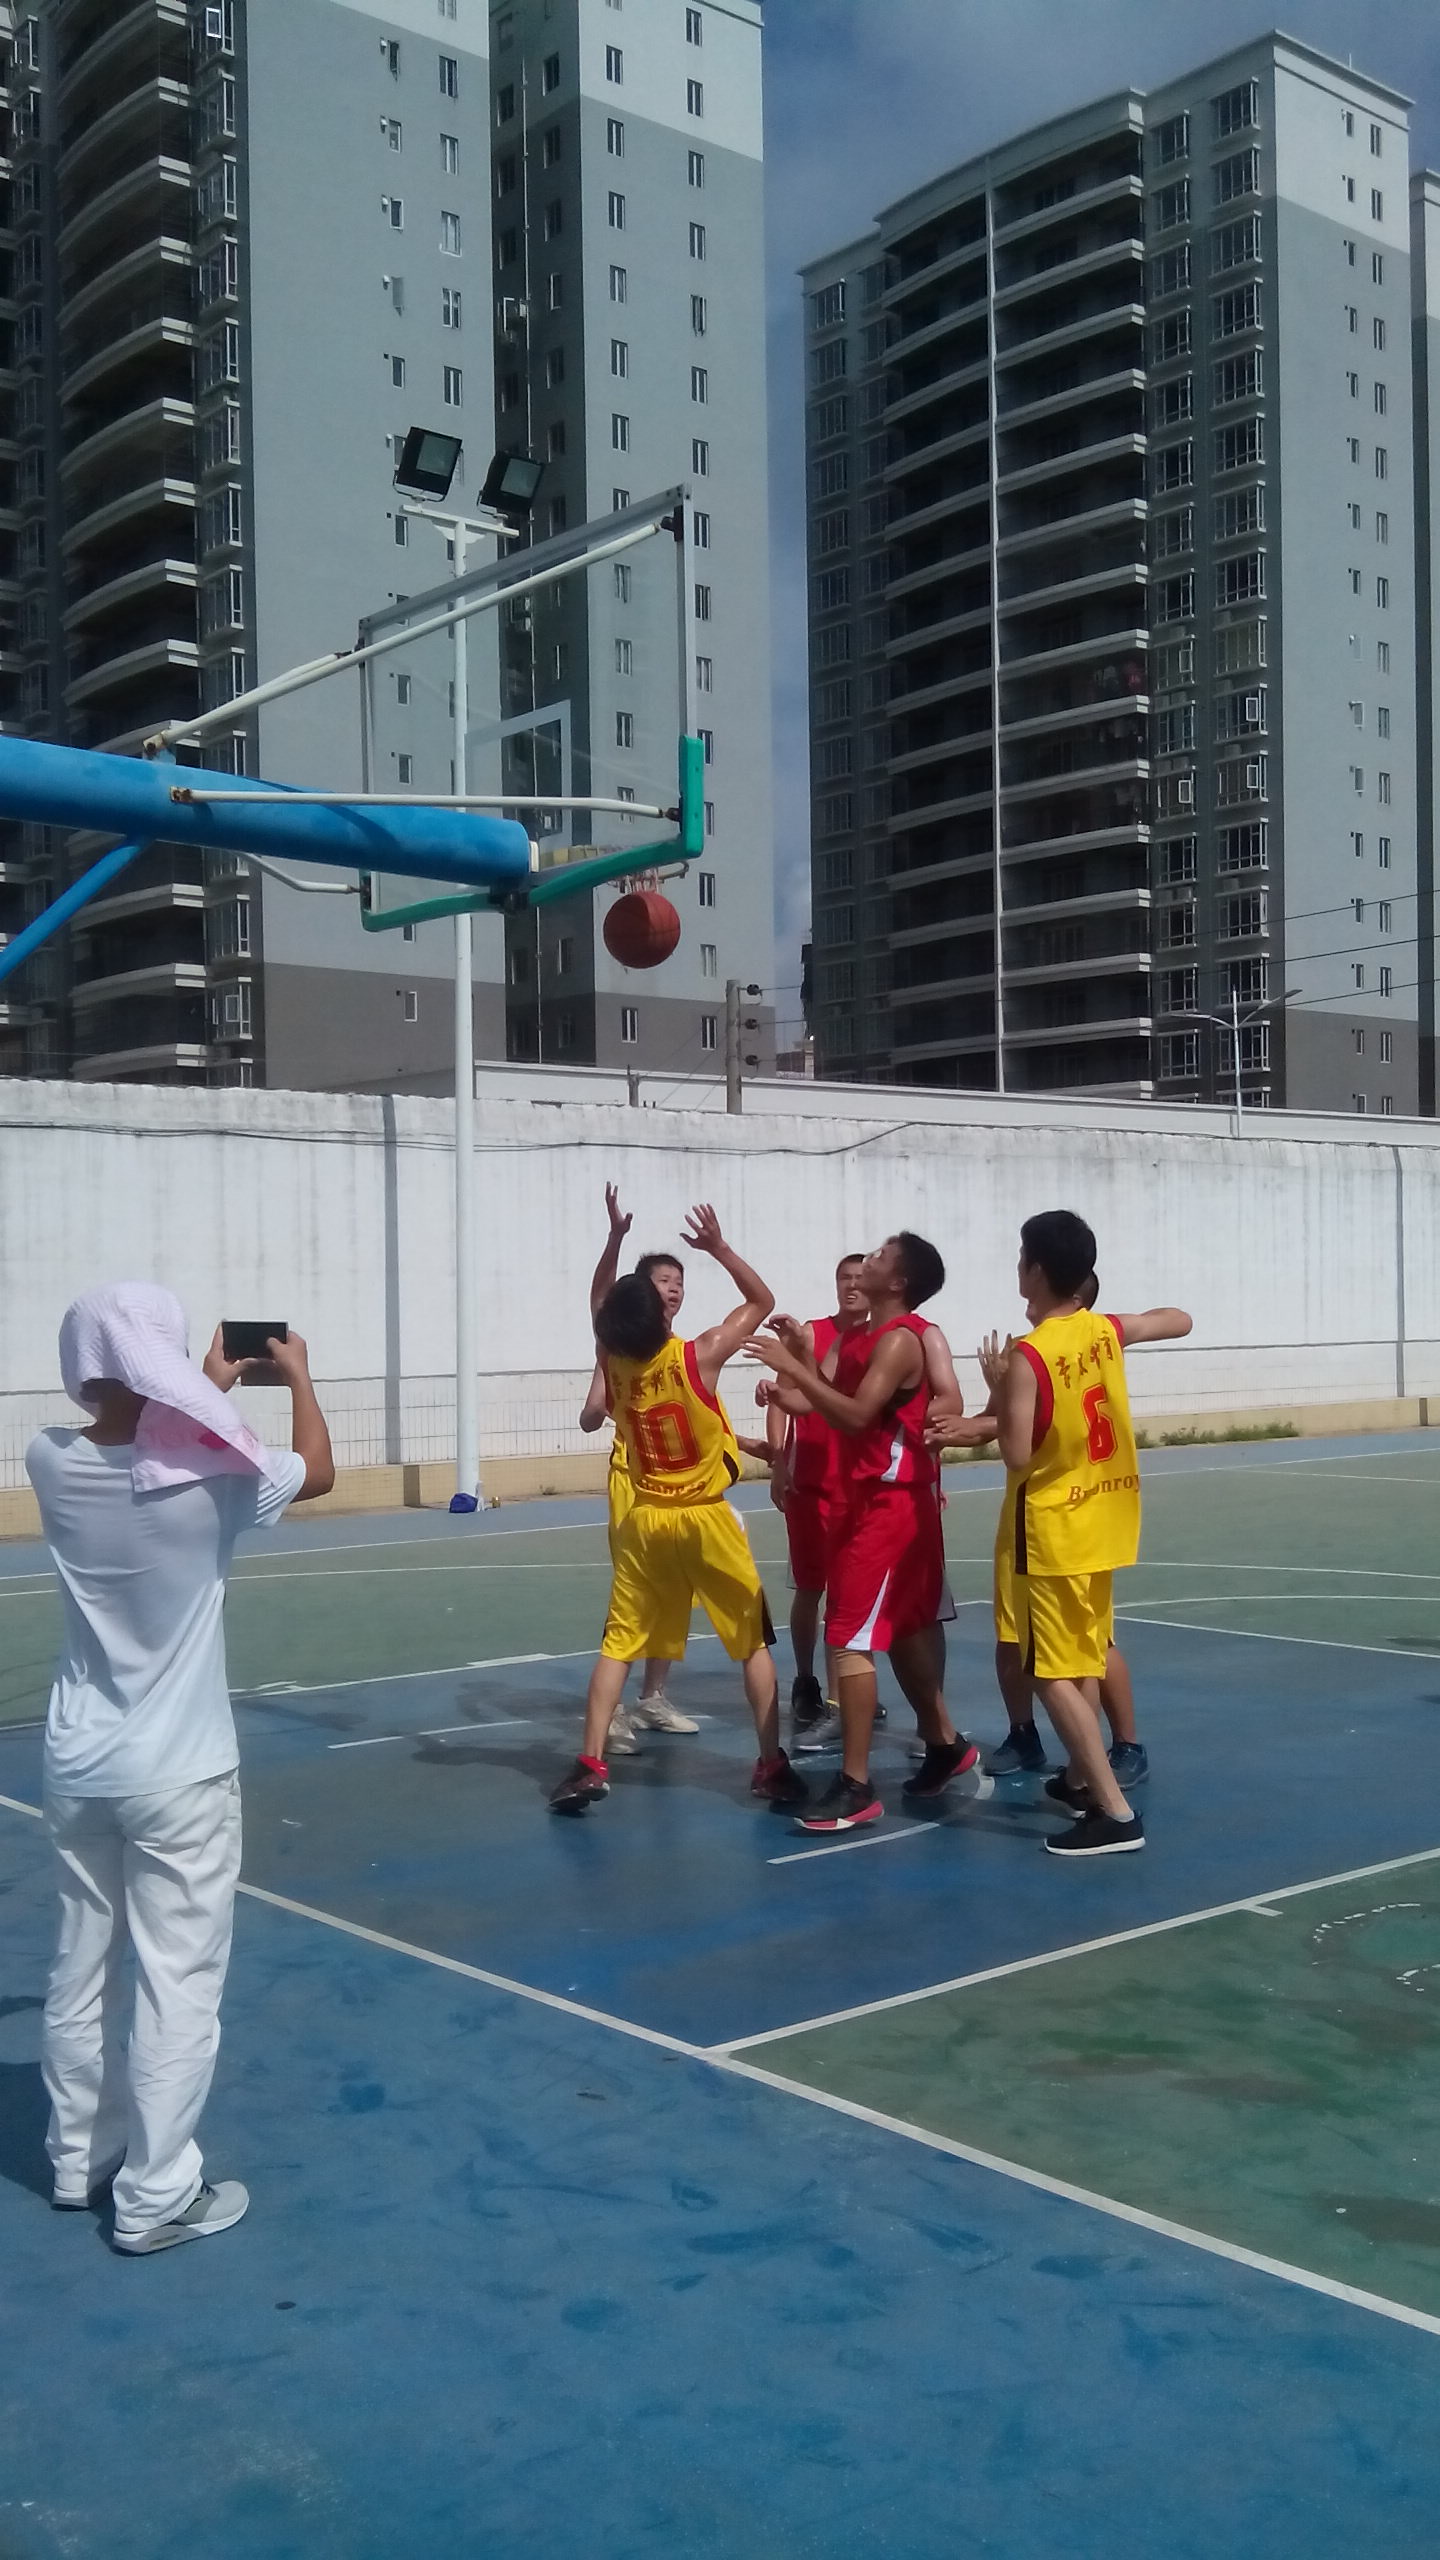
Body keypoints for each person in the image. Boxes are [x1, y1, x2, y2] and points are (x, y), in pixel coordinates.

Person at [27, 1283, 334, 2253]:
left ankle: (76, 2158)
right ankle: (157, 2195)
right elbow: (315, 1471)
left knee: (79, 1965)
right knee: (178, 1981)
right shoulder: (217, 1476)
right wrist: (296, 1379)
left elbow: (132, 1441)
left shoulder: (48, 1459)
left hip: (78, 1764)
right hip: (181, 1770)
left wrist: (197, 1387)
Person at [551, 1206, 805, 1816]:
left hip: (645, 1519)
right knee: (752, 1644)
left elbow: (598, 1300)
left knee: (618, 1645)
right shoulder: (701, 1354)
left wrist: (613, 1239)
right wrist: (718, 1247)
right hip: (704, 1517)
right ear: (660, 1312)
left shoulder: (613, 1361)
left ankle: (590, 1763)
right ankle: (770, 1764)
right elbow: (762, 1299)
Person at [749, 1232, 977, 1835]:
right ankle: (944, 1744)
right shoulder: (859, 1337)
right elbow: (812, 1403)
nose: (863, 1265)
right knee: (901, 1632)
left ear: (897, 1282)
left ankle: (856, 1785)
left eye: (877, 1258)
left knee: (848, 1636)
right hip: (863, 1499)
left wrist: (793, 1367)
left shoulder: (902, 1340)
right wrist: (795, 1365)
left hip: (891, 1503)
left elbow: (853, 1416)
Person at [988, 1212, 1191, 1857]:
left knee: (1049, 1671)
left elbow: (1016, 1454)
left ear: (1036, 1270)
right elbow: (1179, 1319)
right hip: (1104, 1521)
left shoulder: (1030, 1355)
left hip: (1053, 1528)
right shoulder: (1104, 1330)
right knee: (1081, 1658)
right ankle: (1081, 1777)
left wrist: (998, 1393)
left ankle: (1114, 1812)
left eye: (1022, 1256)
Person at [928, 1274, 1149, 1787]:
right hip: (1035, 1517)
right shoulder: (1047, 1351)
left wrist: (989, 1410)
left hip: (1065, 1518)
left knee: (1089, 1648)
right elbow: (1004, 1423)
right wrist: (978, 1416)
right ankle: (1027, 1736)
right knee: (1013, 1634)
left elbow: (1018, 1440)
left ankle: (1119, 1750)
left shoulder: (1057, 1351)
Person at [579, 1186, 699, 1750]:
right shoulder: (618, 1338)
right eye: (663, 1280)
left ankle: (653, 1697)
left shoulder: (686, 1350)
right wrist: (615, 1238)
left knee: (675, 1589)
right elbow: (600, 1295)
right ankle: (614, 1710)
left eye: (679, 1282)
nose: (673, 1288)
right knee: (635, 1591)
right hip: (633, 1478)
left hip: (683, 1485)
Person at [763, 1253, 868, 1748]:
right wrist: (779, 1461)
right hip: (809, 1482)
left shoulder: (882, 1340)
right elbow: (783, 1399)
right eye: (844, 1278)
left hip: (856, 1484)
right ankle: (807, 1681)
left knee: (848, 1595)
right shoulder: (811, 1334)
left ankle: (846, 1695)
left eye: (859, 1278)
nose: (852, 1285)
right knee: (811, 1588)